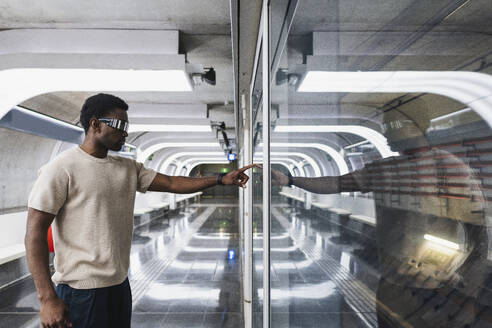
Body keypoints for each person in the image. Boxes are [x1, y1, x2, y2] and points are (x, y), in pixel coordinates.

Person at [25, 93, 255, 328]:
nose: (125, 132)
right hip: (81, 291)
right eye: (120, 125)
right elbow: (35, 233)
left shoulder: (127, 168)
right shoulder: (61, 168)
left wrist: (220, 179)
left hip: (119, 286)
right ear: (95, 124)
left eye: (127, 126)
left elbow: (173, 183)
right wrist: (47, 298)